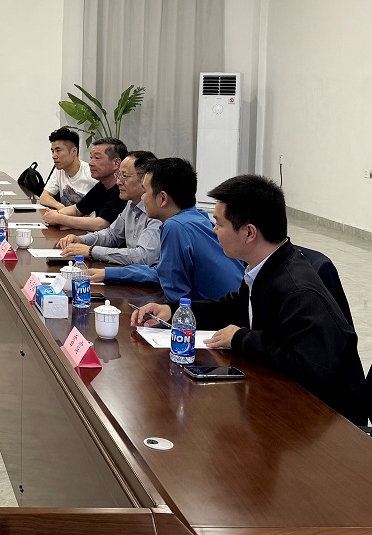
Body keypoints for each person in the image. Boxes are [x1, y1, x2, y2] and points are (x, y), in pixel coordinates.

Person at [132, 175, 366, 426]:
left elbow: (308, 368)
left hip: (324, 421)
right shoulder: (262, 268)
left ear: (249, 232)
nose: (214, 231)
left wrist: (241, 338)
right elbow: (231, 309)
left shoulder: (297, 291)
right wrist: (172, 310)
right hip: (280, 397)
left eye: (219, 224)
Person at [88, 158, 242, 302]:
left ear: (162, 198)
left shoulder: (175, 226)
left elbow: (176, 296)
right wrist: (110, 273)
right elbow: (163, 272)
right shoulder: (197, 217)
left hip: (217, 315)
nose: (143, 198)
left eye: (145, 192)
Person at [56, 150, 161, 266]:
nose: (118, 182)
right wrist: (81, 240)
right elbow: (112, 235)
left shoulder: (157, 212)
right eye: (119, 175)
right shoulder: (131, 204)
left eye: (124, 176)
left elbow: (143, 257)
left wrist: (91, 251)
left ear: (146, 180)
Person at [42, 137, 128, 231]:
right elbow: (76, 210)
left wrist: (59, 218)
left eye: (97, 158)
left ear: (116, 163)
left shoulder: (123, 189)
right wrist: (55, 214)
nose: (91, 163)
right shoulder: (101, 186)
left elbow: (100, 224)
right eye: (91, 158)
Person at [38, 127, 96, 209]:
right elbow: (44, 197)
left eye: (58, 150)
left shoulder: (91, 174)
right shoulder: (59, 171)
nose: (54, 156)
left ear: (73, 151)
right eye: (52, 151)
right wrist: (60, 207)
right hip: (65, 216)